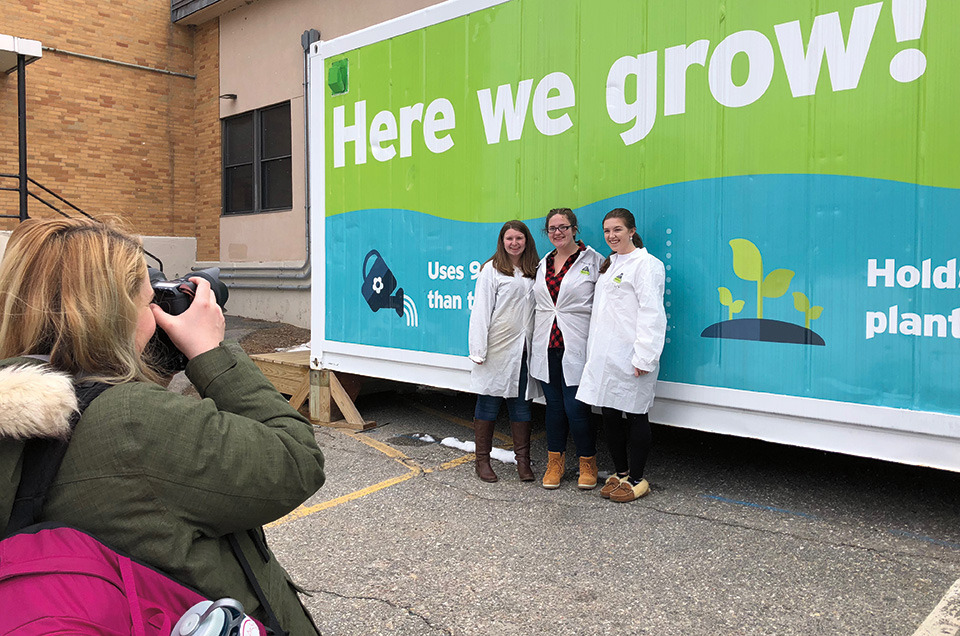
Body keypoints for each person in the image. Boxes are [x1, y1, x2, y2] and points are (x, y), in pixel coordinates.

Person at [0, 218, 325, 634]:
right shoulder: (132, 423)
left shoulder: (21, 407)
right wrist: (211, 351)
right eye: (147, 300)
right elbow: (296, 460)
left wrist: (141, 366)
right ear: (114, 314)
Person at [577, 208, 666, 503]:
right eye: (607, 231)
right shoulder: (610, 263)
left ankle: (638, 478)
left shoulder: (646, 265)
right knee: (611, 414)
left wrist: (644, 356)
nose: (611, 236)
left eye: (617, 230)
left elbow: (652, 313)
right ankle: (620, 472)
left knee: (637, 413)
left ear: (632, 230)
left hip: (632, 354)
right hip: (605, 354)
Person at [530, 208, 603, 490]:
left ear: (575, 229)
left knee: (576, 408)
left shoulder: (594, 261)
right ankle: (555, 462)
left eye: (563, 227)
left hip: (577, 344)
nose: (557, 233)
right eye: (552, 229)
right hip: (547, 344)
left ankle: (588, 462)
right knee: (554, 408)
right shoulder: (543, 262)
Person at [468, 220, 539, 483]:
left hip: (523, 348)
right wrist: (478, 349)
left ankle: (523, 462)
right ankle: (482, 461)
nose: (514, 243)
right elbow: (481, 311)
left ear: (526, 240)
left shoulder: (534, 269)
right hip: (497, 346)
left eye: (519, 238)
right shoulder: (492, 270)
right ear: (502, 241)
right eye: (509, 238)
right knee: (489, 401)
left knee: (521, 406)